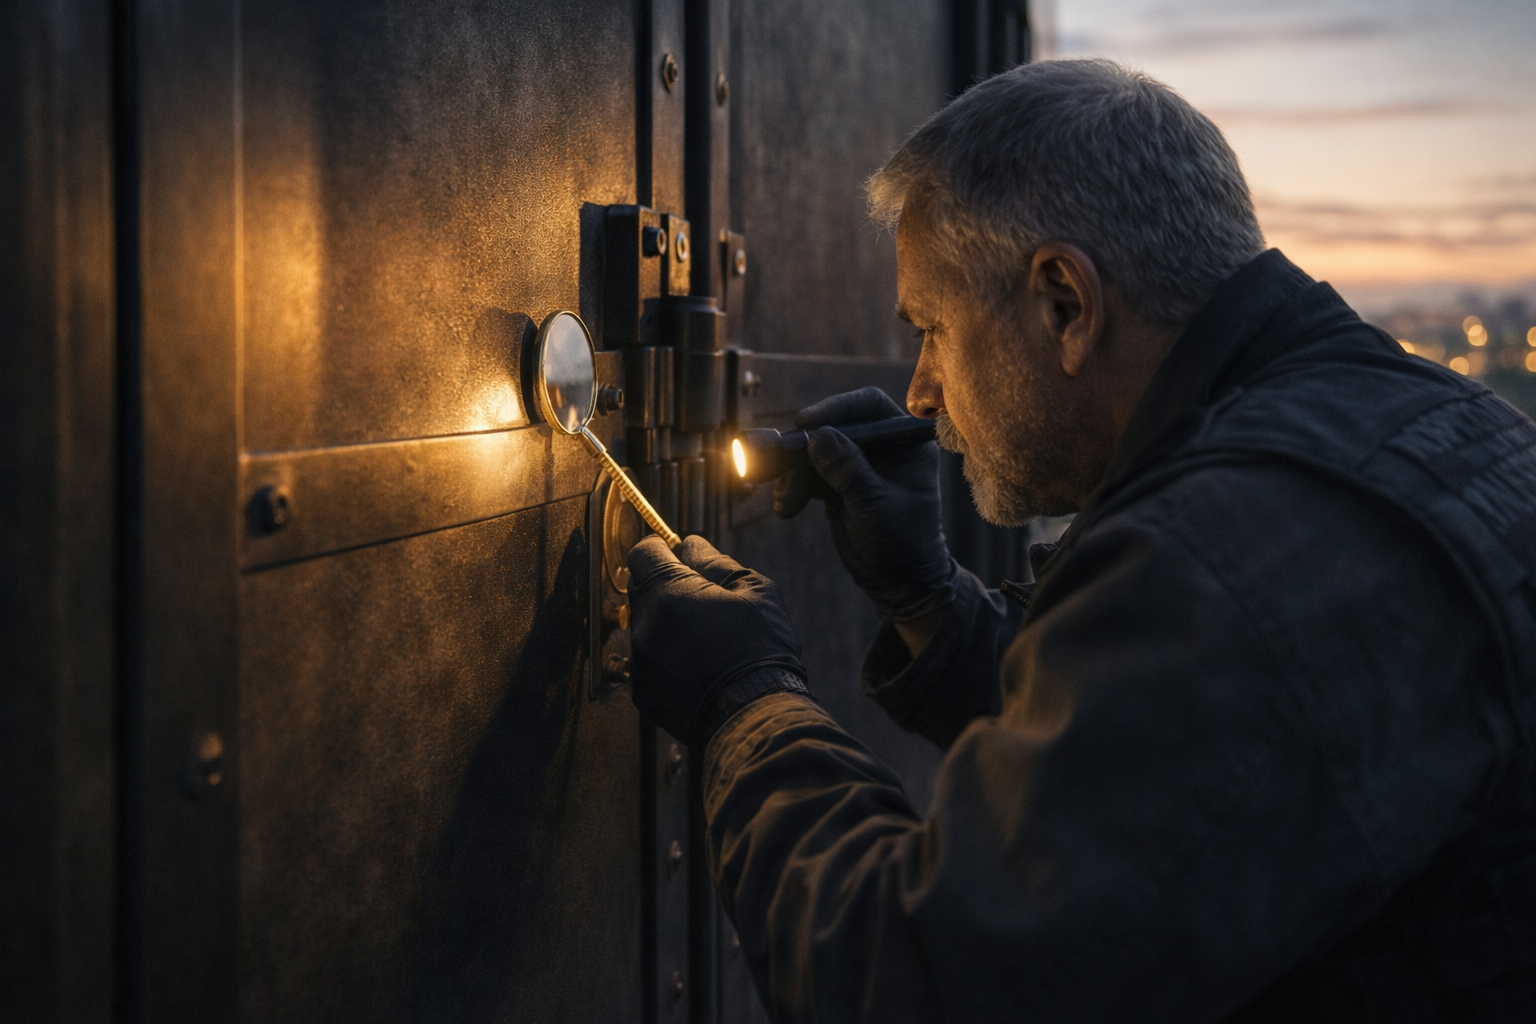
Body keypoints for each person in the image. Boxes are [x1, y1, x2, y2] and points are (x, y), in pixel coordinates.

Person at [625, 59, 1536, 1021]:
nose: (921, 393)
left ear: (1064, 301)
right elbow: (1176, 779)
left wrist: (744, 702)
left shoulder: (1224, 560)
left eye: (932, 328)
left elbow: (919, 980)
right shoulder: (1417, 426)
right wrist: (930, 600)